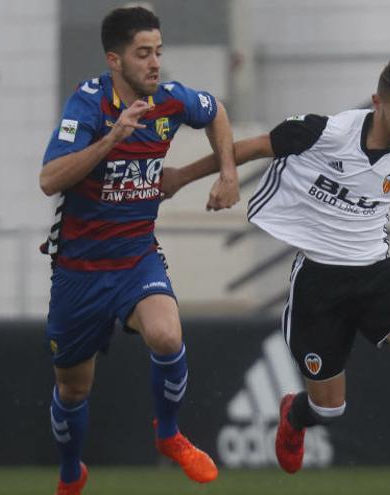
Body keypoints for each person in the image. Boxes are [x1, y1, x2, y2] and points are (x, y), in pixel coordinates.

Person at [163, 56, 390, 495]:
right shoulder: (326, 133)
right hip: (320, 286)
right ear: (377, 103)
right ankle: (294, 416)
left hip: (376, 276)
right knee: (329, 410)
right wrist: (197, 176)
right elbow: (251, 147)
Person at [38, 7, 239, 495]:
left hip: (135, 258)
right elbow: (49, 180)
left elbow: (216, 113)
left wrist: (228, 173)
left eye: (158, 52)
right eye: (143, 54)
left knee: (167, 336)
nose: (154, 63)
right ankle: (71, 472)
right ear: (115, 60)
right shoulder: (87, 106)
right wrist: (112, 138)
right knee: (73, 389)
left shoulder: (169, 101)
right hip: (79, 271)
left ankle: (168, 434)